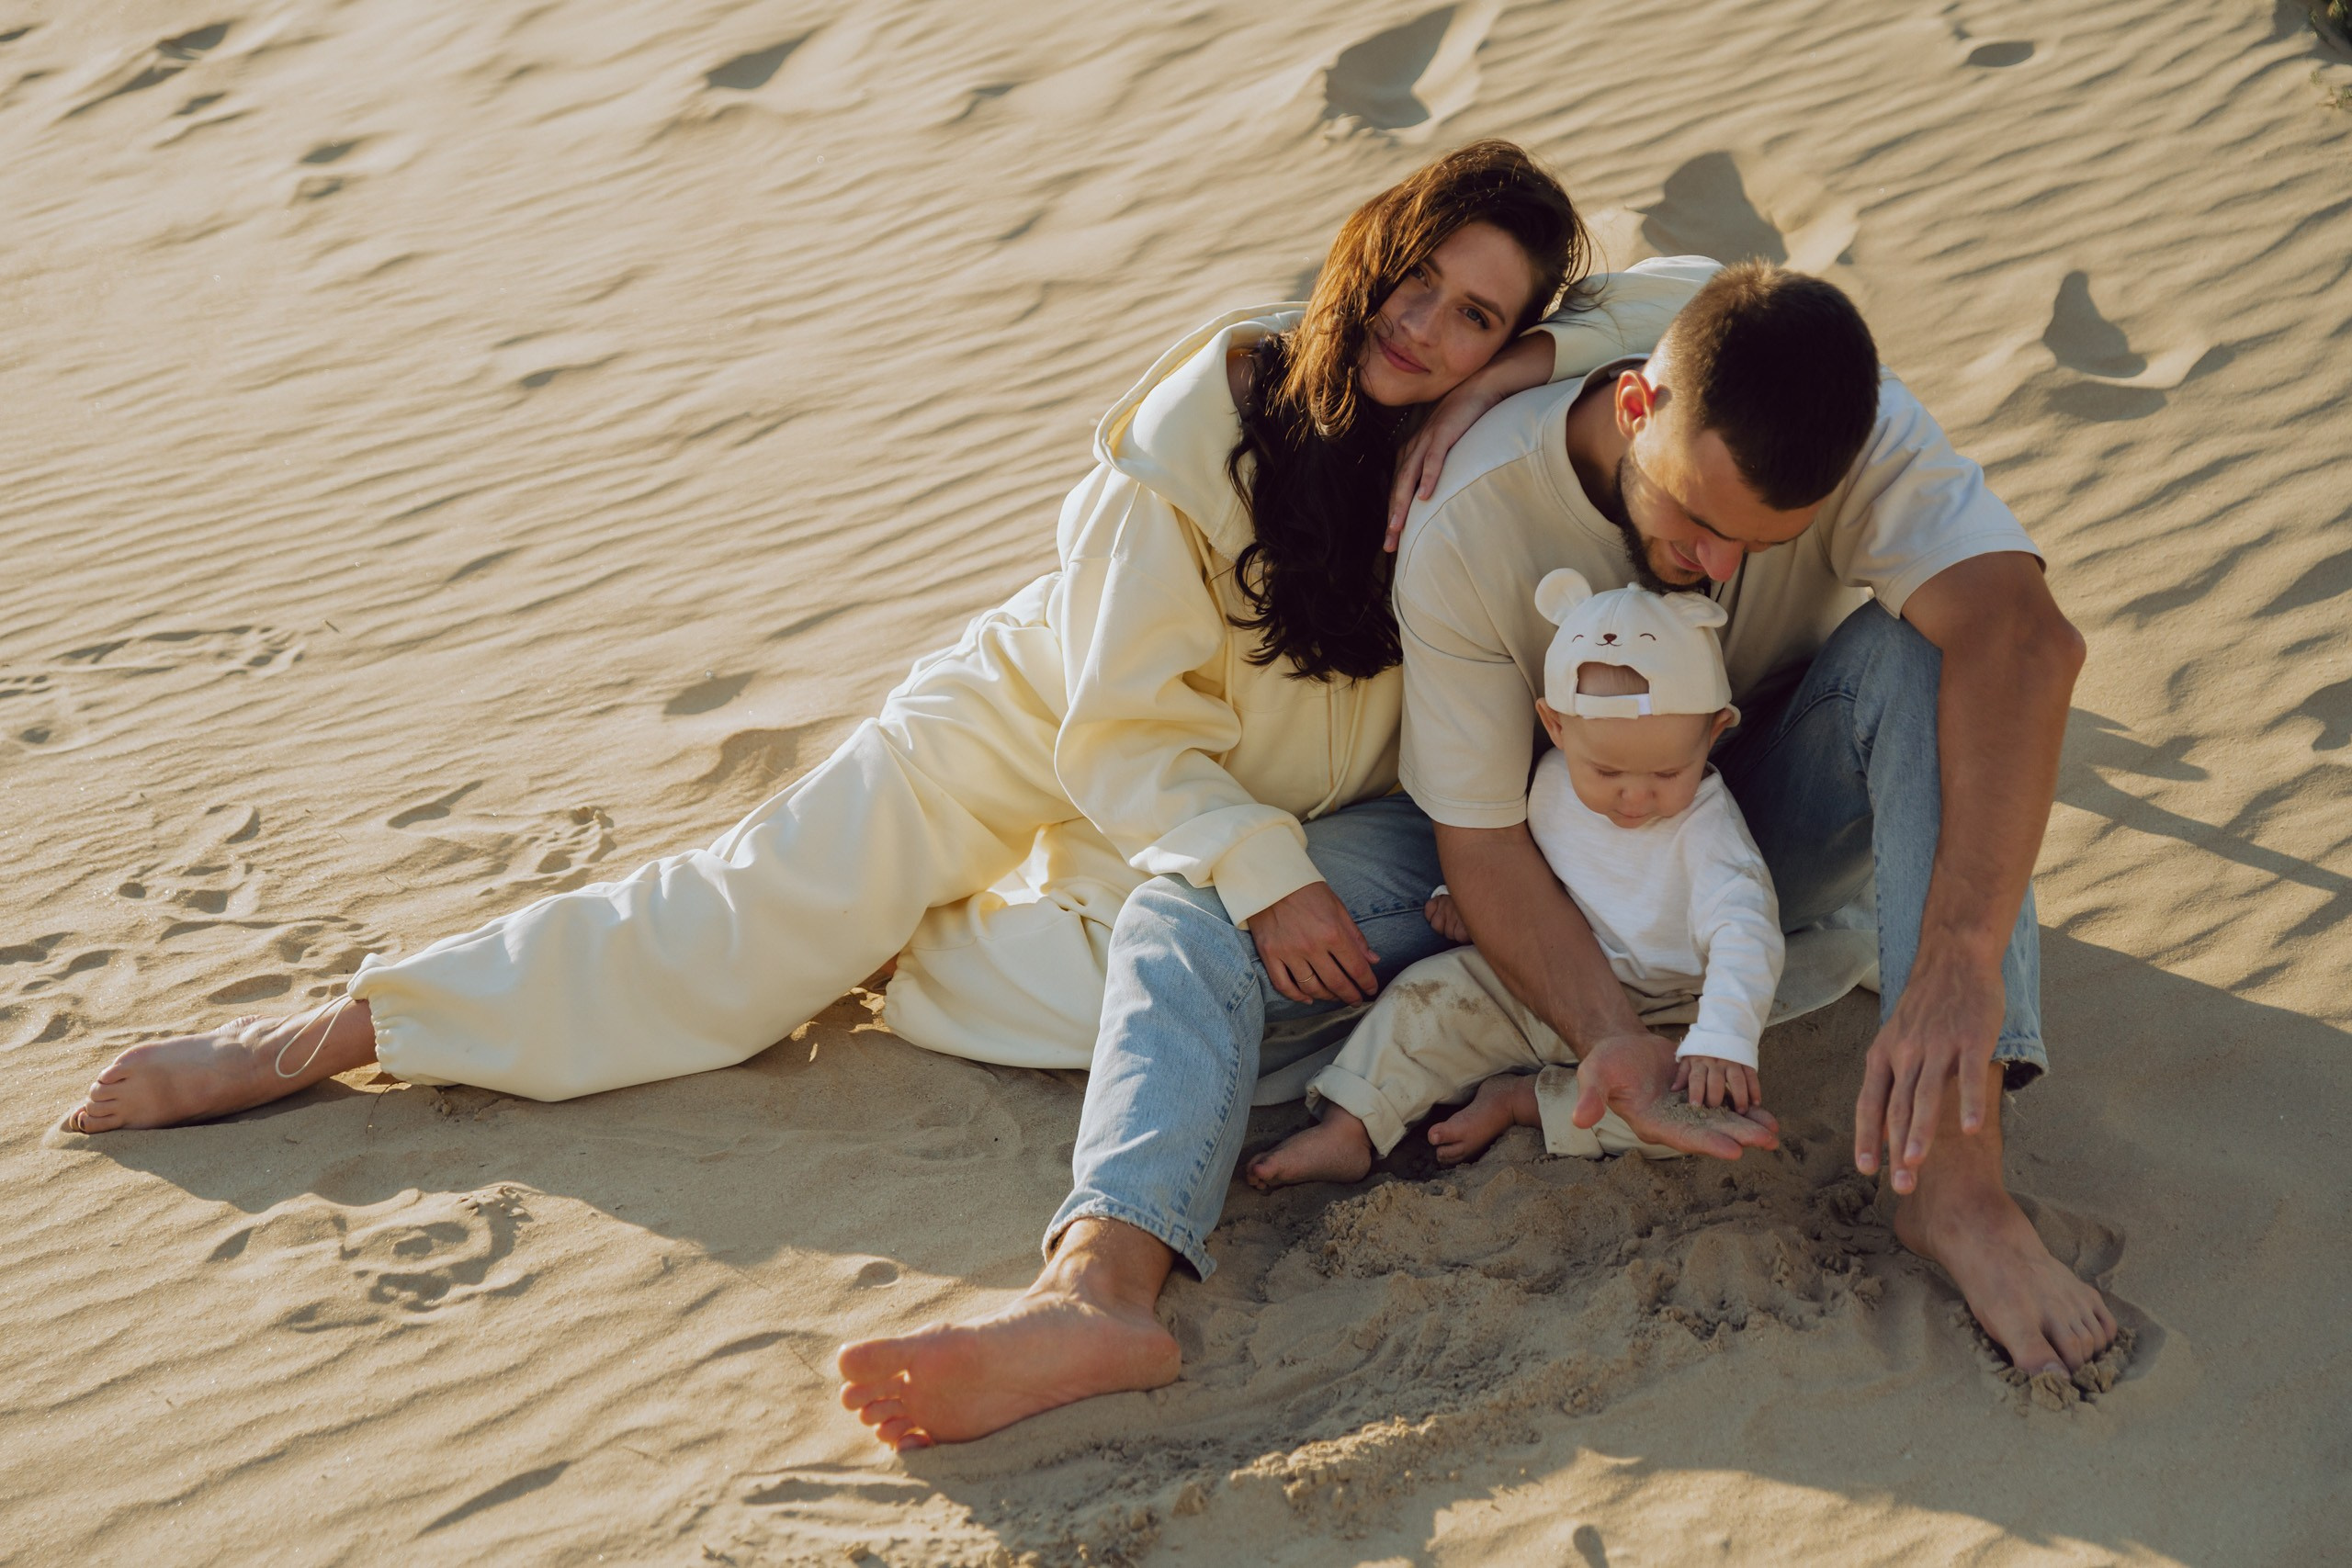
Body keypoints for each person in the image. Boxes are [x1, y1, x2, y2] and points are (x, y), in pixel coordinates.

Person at [1366, 255, 2119, 1377]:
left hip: (1765, 810)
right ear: (1635, 409)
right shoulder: (1468, 524)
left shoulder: (1856, 433)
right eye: (1692, 519)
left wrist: (1962, 955)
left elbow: (2025, 639)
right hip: (1589, 874)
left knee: (1928, 649)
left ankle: (1957, 1190)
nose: (1713, 568)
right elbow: (1480, 844)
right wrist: (1611, 1038)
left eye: (1758, 545)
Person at [1245, 570, 1782, 1189]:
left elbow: (1748, 933)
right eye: (1607, 770)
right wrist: (1465, 904)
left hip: (1666, 1011)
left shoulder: (1711, 836)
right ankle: (1350, 1125)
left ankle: (1522, 1101)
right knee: (1428, 1000)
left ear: (1713, 730)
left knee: (1688, 1119)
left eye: (1667, 771)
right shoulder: (1549, 780)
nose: (1634, 795)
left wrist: (1723, 1038)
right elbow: (1517, 862)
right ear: (1556, 726)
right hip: (1546, 970)